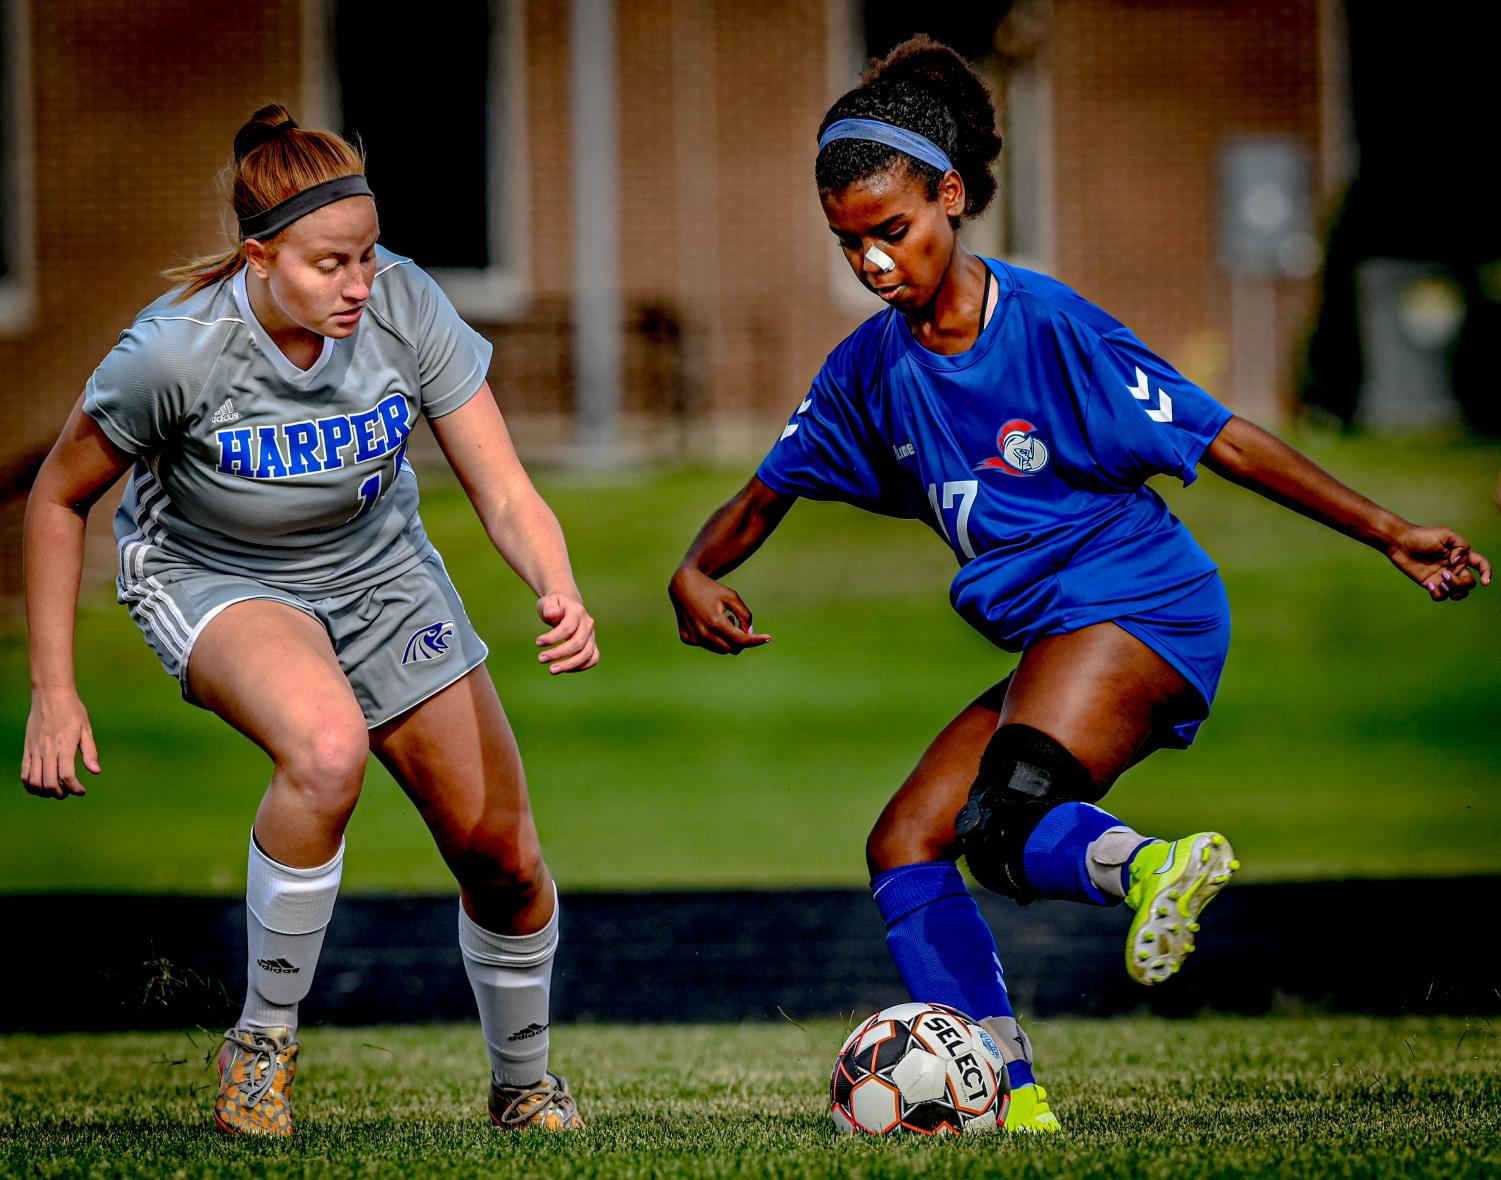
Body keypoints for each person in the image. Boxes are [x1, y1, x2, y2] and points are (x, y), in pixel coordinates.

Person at [668, 38, 1490, 1133]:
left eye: (891, 231)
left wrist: (1389, 529)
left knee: (1008, 825)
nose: (871, 263)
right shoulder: (867, 369)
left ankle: (1154, 866)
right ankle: (1011, 1103)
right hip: (1058, 631)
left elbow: (1224, 438)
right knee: (906, 838)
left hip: (1140, 603)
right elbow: (766, 492)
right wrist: (694, 568)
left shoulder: (1047, 326)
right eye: (848, 243)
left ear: (949, 197)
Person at [20, 105, 597, 1137]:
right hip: (214, 576)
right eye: (332, 263)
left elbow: (505, 491)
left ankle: (523, 1086)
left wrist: (557, 586)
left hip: (382, 578)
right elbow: (58, 499)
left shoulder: (405, 307)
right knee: (327, 749)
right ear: (261, 255)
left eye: (370, 256)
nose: (360, 283)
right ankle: (262, 1046)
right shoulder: (174, 353)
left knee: (504, 857)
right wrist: (54, 691)